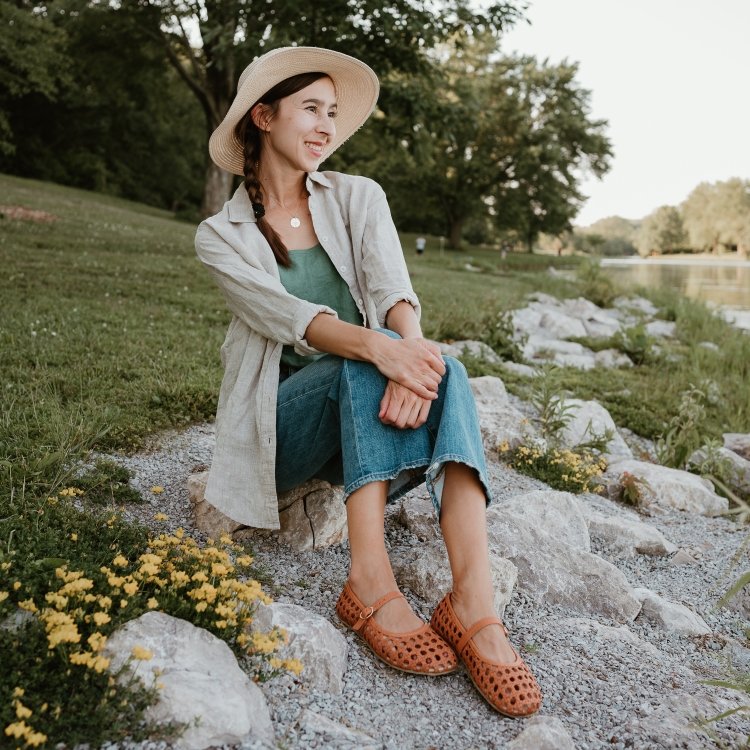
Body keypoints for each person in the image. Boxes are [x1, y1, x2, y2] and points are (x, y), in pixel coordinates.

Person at [195, 46, 541, 718]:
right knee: (367, 352)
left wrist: (417, 358)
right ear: (264, 117)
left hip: (361, 417)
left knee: (442, 361)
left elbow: (391, 289)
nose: (326, 125)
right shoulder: (222, 235)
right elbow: (296, 320)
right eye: (310, 110)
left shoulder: (358, 196)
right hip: (281, 437)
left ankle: (474, 603)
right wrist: (387, 354)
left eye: (333, 112)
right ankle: (368, 580)